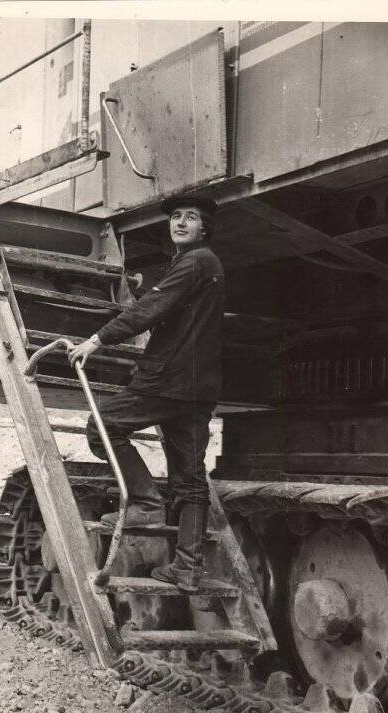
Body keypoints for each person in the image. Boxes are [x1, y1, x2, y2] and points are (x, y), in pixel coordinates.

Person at [67, 194, 224, 592]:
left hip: (168, 379)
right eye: (176, 217)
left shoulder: (194, 261)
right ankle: (186, 569)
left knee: (102, 425)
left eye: (191, 217)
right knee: (190, 480)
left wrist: (98, 339)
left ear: (205, 228)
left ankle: (145, 505)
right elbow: (166, 307)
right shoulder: (203, 264)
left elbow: (154, 308)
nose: (181, 223)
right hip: (196, 387)